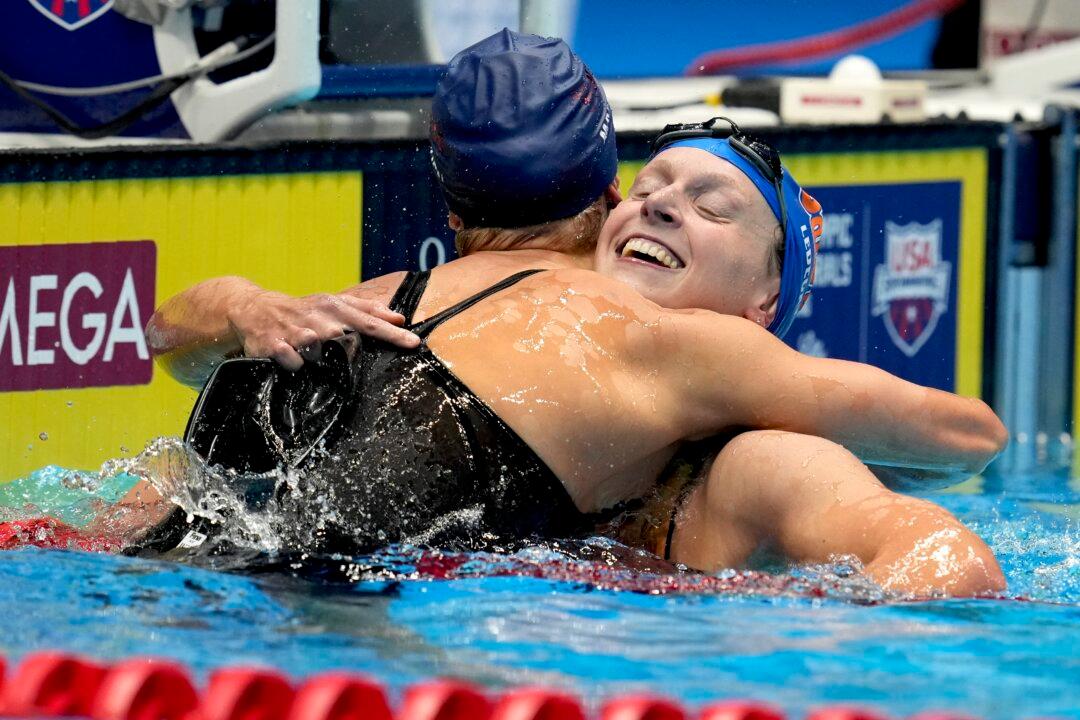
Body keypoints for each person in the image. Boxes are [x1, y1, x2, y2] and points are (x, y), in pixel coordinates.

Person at [112, 30, 1004, 595]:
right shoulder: (646, 356)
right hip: (307, 601)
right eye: (652, 189)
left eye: (713, 208)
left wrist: (236, 303)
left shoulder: (369, 300)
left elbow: (163, 332)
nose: (662, 208)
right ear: (607, 196)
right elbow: (968, 447)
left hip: (154, 579)